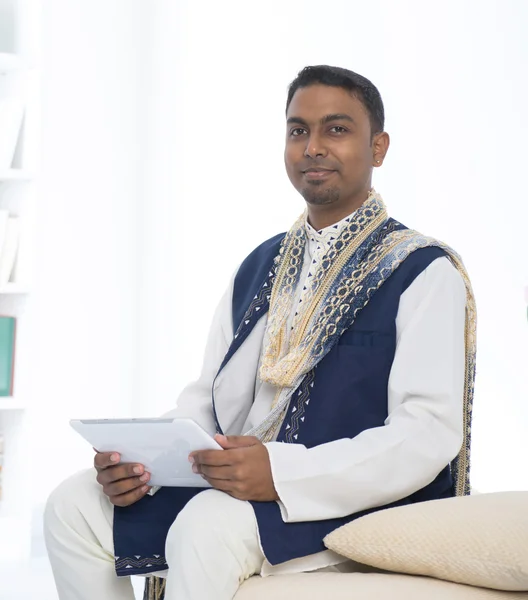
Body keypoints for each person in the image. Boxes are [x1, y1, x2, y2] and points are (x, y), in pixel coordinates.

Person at [44, 65, 476, 600]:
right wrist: (142, 464)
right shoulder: (261, 265)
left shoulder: (421, 270)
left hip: (348, 497)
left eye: (336, 129)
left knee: (207, 525)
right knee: (73, 505)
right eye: (299, 130)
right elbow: (207, 401)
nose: (313, 147)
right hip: (237, 482)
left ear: (379, 147)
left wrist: (280, 473)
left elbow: (426, 434)